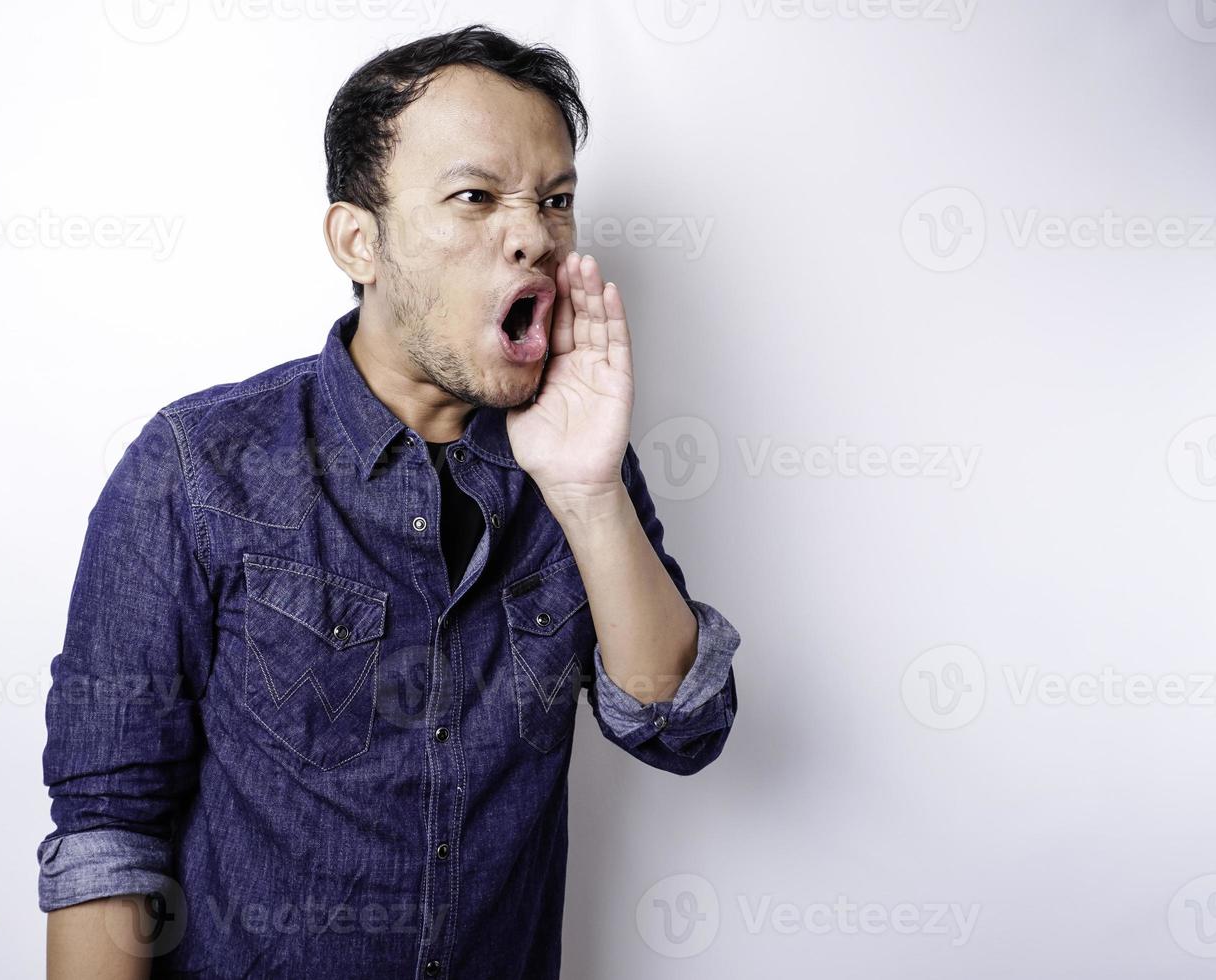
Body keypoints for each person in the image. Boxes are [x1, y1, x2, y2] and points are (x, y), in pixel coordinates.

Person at [39, 23, 741, 979]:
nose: (533, 233)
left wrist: (588, 492)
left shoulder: (584, 466)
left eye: (555, 199)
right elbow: (106, 833)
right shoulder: (198, 467)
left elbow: (681, 729)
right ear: (358, 240)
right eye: (475, 196)